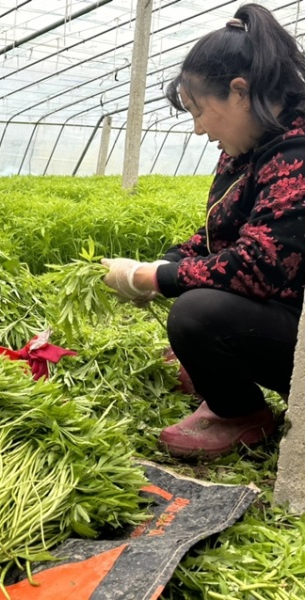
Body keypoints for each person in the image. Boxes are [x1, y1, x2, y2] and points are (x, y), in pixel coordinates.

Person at [102, 4, 305, 458]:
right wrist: (169, 260)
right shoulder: (252, 143)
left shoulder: (297, 153)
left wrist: (156, 278)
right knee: (196, 309)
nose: (197, 129)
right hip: (288, 312)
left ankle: (240, 414)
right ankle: (217, 372)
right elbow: (224, 235)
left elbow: (259, 265)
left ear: (239, 92)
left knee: (197, 315)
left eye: (198, 111)